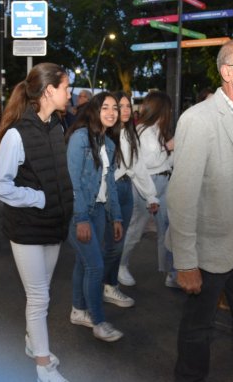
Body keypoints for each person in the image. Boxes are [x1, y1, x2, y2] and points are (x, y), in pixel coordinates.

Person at [167, 38, 233, 382]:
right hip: (207, 247)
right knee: (198, 329)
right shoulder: (199, 120)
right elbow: (182, 196)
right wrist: (185, 262)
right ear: (227, 72)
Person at [0, 63, 73, 382]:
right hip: (26, 228)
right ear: (49, 91)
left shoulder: (56, 126)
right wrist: (37, 198)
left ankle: (31, 342)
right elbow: (0, 185)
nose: (70, 93)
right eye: (66, 87)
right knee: (39, 297)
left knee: (43, 293)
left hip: (53, 226)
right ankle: (43, 365)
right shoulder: (16, 134)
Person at [66, 91, 124, 343]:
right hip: (82, 211)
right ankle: (99, 322)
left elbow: (109, 182)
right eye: (106, 108)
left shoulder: (108, 143)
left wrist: (117, 217)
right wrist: (80, 218)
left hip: (100, 212)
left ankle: (78, 310)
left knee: (84, 263)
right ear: (94, 110)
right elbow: (73, 181)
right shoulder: (80, 138)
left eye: (115, 108)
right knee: (96, 266)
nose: (112, 112)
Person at [102, 91, 157, 307]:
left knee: (118, 241)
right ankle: (107, 286)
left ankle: (109, 285)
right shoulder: (107, 134)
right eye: (119, 106)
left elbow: (138, 167)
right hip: (112, 189)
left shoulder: (130, 133)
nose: (124, 110)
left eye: (127, 106)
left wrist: (150, 194)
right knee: (113, 244)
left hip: (126, 188)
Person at [118, 90, 175, 288]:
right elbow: (146, 163)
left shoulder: (160, 129)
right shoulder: (141, 130)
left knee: (167, 229)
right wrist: (168, 147)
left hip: (165, 181)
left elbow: (167, 161)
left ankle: (170, 272)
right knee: (136, 228)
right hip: (146, 182)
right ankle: (120, 265)